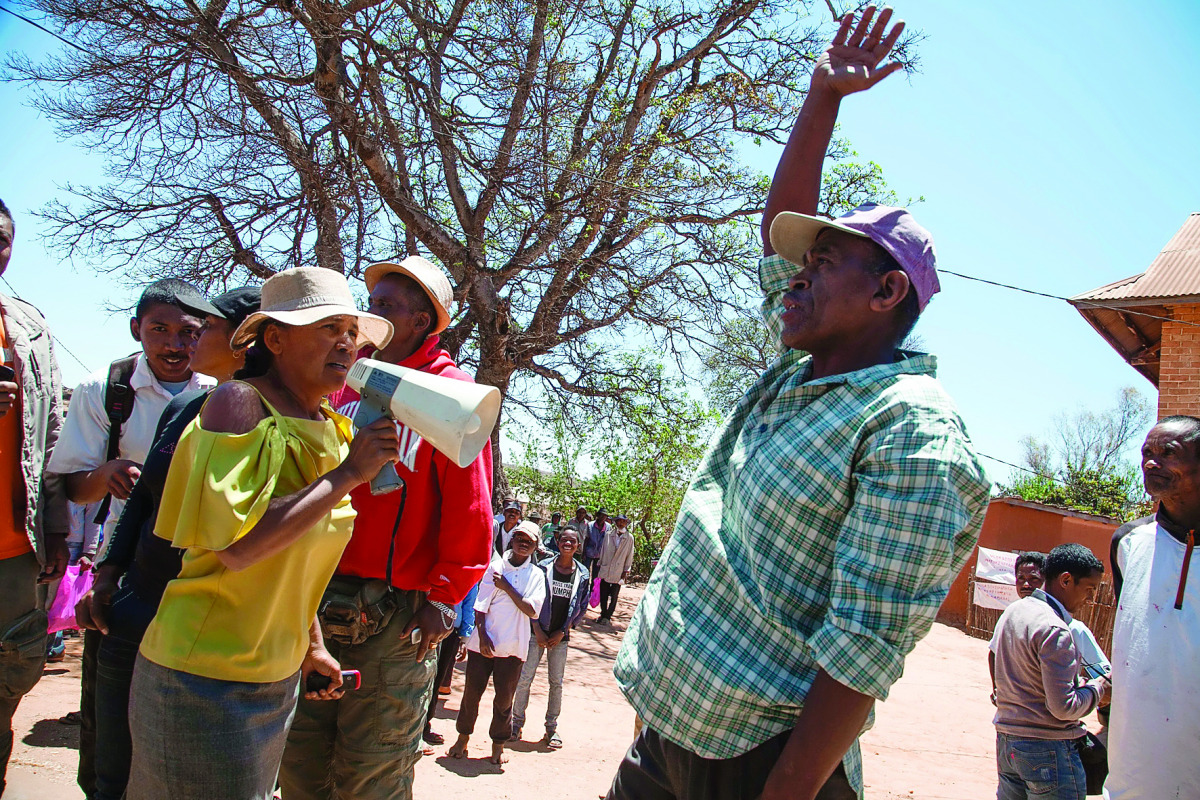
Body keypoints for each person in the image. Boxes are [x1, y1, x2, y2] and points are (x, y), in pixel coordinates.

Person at [605, 9, 991, 800]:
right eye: (802, 263)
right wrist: (822, 96)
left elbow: (863, 647)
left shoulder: (909, 427)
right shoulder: (796, 377)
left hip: (763, 768)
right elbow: (777, 230)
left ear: (887, 292)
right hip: (666, 742)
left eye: (825, 262)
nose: (797, 276)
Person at [124, 267, 398, 800]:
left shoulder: (333, 429)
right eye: (329, 328)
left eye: (351, 332)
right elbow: (239, 547)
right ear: (274, 339)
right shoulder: (239, 404)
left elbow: (295, 559)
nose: (346, 343)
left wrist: (311, 646)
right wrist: (347, 474)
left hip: (273, 680)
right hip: (203, 680)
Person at [280, 257, 494, 800]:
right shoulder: (345, 379)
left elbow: (471, 509)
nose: (371, 315)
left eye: (387, 307)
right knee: (300, 758)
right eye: (371, 304)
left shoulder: (452, 396)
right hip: (315, 597)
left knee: (372, 770)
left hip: (397, 614)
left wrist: (444, 598)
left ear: (421, 322)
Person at [73, 287, 261, 800]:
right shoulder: (186, 406)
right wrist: (108, 576)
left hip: (197, 628)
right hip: (135, 607)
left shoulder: (273, 420)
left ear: (247, 341)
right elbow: (142, 501)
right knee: (107, 771)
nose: (192, 337)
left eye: (208, 327)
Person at [46, 277, 216, 797]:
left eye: (189, 333)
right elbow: (73, 486)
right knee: (109, 719)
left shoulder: (220, 391)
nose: (175, 345)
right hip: (120, 573)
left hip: (194, 575)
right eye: (159, 330)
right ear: (136, 329)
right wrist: (109, 474)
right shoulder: (106, 390)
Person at [0, 196, 70, 795]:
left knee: (7, 686)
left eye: (1, 239)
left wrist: (54, 528)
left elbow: (49, 437)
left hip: (14, 552)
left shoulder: (29, 327)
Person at [1103, 415, 1200, 799]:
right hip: (1135, 767)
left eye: (1168, 453)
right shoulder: (1128, 542)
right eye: (1146, 452)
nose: (1150, 462)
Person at [992, 544, 1110, 800]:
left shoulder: (1014, 611)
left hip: (1008, 743)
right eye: (1089, 589)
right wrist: (1098, 688)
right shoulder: (1055, 628)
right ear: (1066, 580)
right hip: (1048, 750)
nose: (1090, 598)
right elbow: (1063, 708)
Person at [449, 522, 546, 765]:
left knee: (504, 699)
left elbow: (532, 610)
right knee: (471, 694)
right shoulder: (496, 567)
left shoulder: (536, 575)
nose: (523, 544)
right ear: (512, 539)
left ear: (535, 546)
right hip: (484, 643)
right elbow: (480, 605)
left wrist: (507, 587)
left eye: (529, 541)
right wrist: (482, 637)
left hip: (513, 647)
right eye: (520, 538)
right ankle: (462, 738)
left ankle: (498, 745)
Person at [988, 552, 1111, 706]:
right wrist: (1097, 690)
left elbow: (1102, 674)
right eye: (1021, 579)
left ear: (1046, 580)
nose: (1026, 585)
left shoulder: (1072, 629)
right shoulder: (1049, 625)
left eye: (1033, 579)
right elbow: (1064, 706)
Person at [511, 527, 590, 747]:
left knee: (556, 683)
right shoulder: (543, 567)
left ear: (578, 545)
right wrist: (536, 628)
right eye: (564, 539)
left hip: (560, 637)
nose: (568, 544)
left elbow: (582, 606)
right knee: (525, 678)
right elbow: (531, 598)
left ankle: (551, 728)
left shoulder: (583, 574)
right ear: (557, 540)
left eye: (572, 541)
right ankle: (516, 724)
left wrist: (563, 631)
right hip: (536, 633)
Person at [422, 579, 481, 746]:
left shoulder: (469, 576)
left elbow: (469, 605)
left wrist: (464, 637)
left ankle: (424, 727)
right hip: (428, 625)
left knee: (437, 680)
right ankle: (414, 729)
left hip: (451, 632)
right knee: (421, 677)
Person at [596, 513, 635, 624]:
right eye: (619, 521)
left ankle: (608, 616)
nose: (621, 523)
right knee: (603, 594)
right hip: (606, 567)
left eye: (623, 521)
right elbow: (603, 550)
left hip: (618, 570)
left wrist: (626, 571)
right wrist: (600, 564)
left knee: (614, 595)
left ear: (626, 523)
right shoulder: (608, 535)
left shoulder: (629, 538)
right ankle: (603, 613)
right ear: (616, 522)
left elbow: (629, 555)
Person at [583, 507, 609, 577]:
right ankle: (585, 583)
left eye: (604, 516)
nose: (602, 517)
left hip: (600, 554)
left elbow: (608, 542)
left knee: (596, 573)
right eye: (601, 515)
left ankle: (594, 584)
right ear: (598, 515)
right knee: (585, 571)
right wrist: (584, 553)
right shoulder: (590, 525)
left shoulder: (608, 527)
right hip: (589, 552)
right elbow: (586, 539)